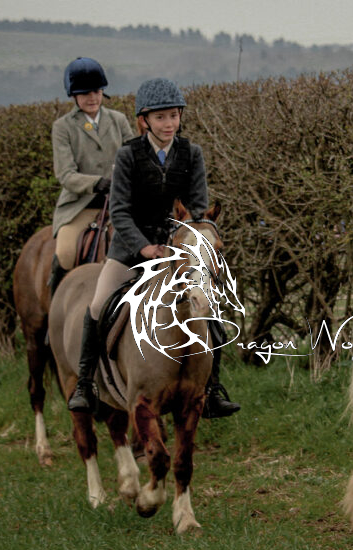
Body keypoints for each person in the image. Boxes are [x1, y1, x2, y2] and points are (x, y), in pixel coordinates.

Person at [67, 77, 240, 419]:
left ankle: (211, 389)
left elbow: (197, 207)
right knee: (99, 305)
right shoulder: (128, 155)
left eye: (173, 115)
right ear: (144, 120)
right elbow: (119, 212)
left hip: (178, 251)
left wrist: (181, 243)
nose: (168, 123)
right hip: (130, 250)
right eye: (160, 117)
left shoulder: (191, 153)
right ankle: (86, 384)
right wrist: (144, 248)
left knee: (207, 308)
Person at [49, 57, 136, 295]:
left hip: (120, 203)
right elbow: (66, 174)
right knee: (65, 253)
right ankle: (55, 302)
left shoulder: (117, 120)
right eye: (85, 93)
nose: (92, 98)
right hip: (81, 205)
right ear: (74, 96)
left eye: (96, 92)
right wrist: (97, 183)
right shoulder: (63, 127)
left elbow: (134, 156)